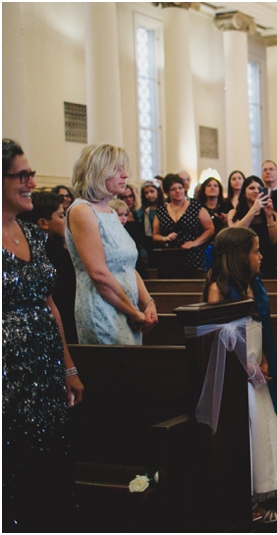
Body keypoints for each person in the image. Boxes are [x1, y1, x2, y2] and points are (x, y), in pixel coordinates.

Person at [3, 139, 85, 532]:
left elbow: (50, 304)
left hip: (45, 370)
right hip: (7, 375)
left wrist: (67, 366)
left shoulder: (33, 234)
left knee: (51, 457)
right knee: (15, 463)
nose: (32, 182)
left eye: (31, 174)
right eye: (23, 175)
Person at [203, 227, 277, 524]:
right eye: (256, 250)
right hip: (234, 371)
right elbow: (218, 338)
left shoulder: (255, 284)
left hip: (258, 360)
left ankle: (259, 492)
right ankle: (246, 500)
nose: (261, 256)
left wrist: (265, 359)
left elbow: (262, 324)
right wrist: (247, 366)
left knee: (262, 427)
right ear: (240, 255)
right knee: (246, 429)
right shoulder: (217, 287)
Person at [66, 144, 158, 345]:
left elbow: (127, 265)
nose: (125, 175)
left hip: (126, 307)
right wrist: (133, 312)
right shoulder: (82, 211)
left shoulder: (111, 211)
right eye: (117, 169)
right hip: (102, 309)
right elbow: (98, 274)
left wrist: (148, 302)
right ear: (97, 172)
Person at [17, 191, 79, 344]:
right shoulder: (51, 254)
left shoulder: (40, 248)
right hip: (62, 325)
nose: (65, 220)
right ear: (43, 223)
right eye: (61, 216)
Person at [153, 173, 215, 272]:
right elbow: (155, 235)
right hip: (170, 256)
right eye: (173, 189)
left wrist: (194, 243)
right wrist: (165, 238)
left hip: (194, 254)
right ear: (167, 192)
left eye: (180, 188)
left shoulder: (195, 207)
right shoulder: (161, 211)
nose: (178, 191)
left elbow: (210, 229)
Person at [228, 176, 277, 279]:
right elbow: (234, 236)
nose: (256, 191)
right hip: (241, 262)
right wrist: (253, 210)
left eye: (259, 188)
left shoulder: (273, 214)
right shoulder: (234, 213)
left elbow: (274, 240)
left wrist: (269, 217)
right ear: (244, 192)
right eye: (251, 188)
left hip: (266, 261)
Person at [140, 180, 163, 254]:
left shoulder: (166, 207)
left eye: (152, 191)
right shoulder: (147, 210)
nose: (149, 195)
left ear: (158, 192)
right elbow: (148, 231)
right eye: (146, 193)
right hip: (153, 243)